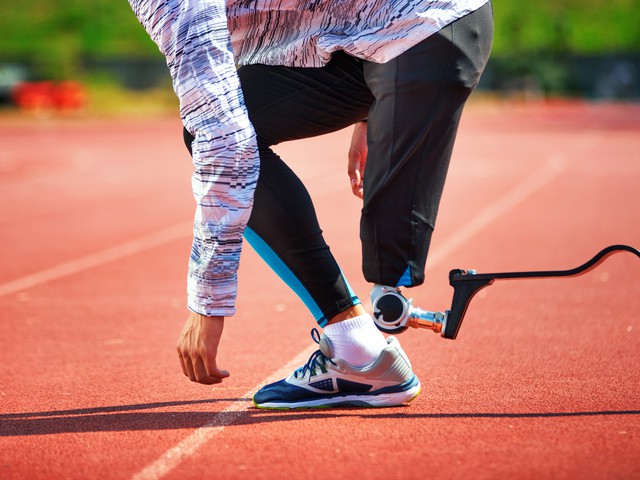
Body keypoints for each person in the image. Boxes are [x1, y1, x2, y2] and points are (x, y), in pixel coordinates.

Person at [128, 0, 493, 409]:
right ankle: (356, 344)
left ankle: (359, 353)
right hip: (375, 36)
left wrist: (208, 306)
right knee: (235, 118)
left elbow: (224, 142)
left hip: (426, 27)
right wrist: (371, 113)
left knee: (217, 138)